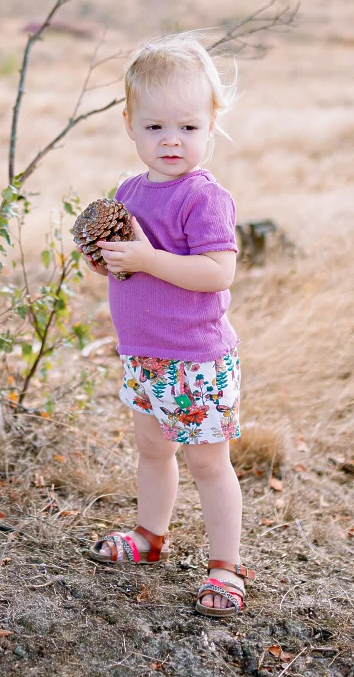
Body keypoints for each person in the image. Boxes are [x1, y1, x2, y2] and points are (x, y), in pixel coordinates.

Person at [80, 31, 254, 618]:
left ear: (211, 126)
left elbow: (217, 272)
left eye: (187, 126)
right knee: (152, 449)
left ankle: (225, 566)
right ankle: (150, 535)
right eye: (154, 127)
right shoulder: (127, 194)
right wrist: (106, 256)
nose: (171, 141)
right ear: (129, 125)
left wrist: (148, 258)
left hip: (196, 357)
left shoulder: (204, 198)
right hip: (143, 352)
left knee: (208, 462)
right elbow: (126, 266)